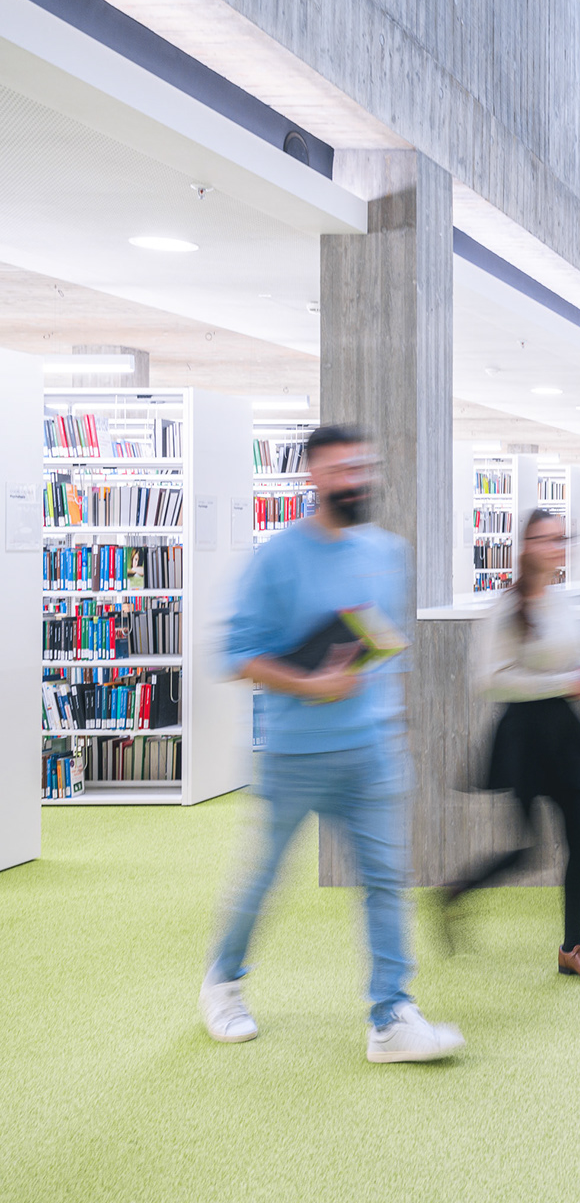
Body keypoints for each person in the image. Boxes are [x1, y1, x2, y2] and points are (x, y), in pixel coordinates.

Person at [201, 424, 463, 1063]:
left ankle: (391, 1017)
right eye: (341, 470)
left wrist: (394, 725)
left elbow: (389, 648)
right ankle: (223, 983)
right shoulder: (277, 558)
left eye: (362, 468)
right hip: (296, 753)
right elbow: (234, 655)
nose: (356, 481)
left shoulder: (390, 553)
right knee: (265, 876)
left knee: (386, 881)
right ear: (314, 478)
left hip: (371, 752)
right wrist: (308, 683)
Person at [441, 509, 580, 982]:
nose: (556, 547)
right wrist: (569, 680)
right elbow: (491, 681)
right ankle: (457, 892)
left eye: (561, 538)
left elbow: (578, 662)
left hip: (566, 733)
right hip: (524, 737)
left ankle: (572, 948)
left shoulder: (565, 603)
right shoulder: (506, 609)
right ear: (526, 547)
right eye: (546, 539)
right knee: (528, 849)